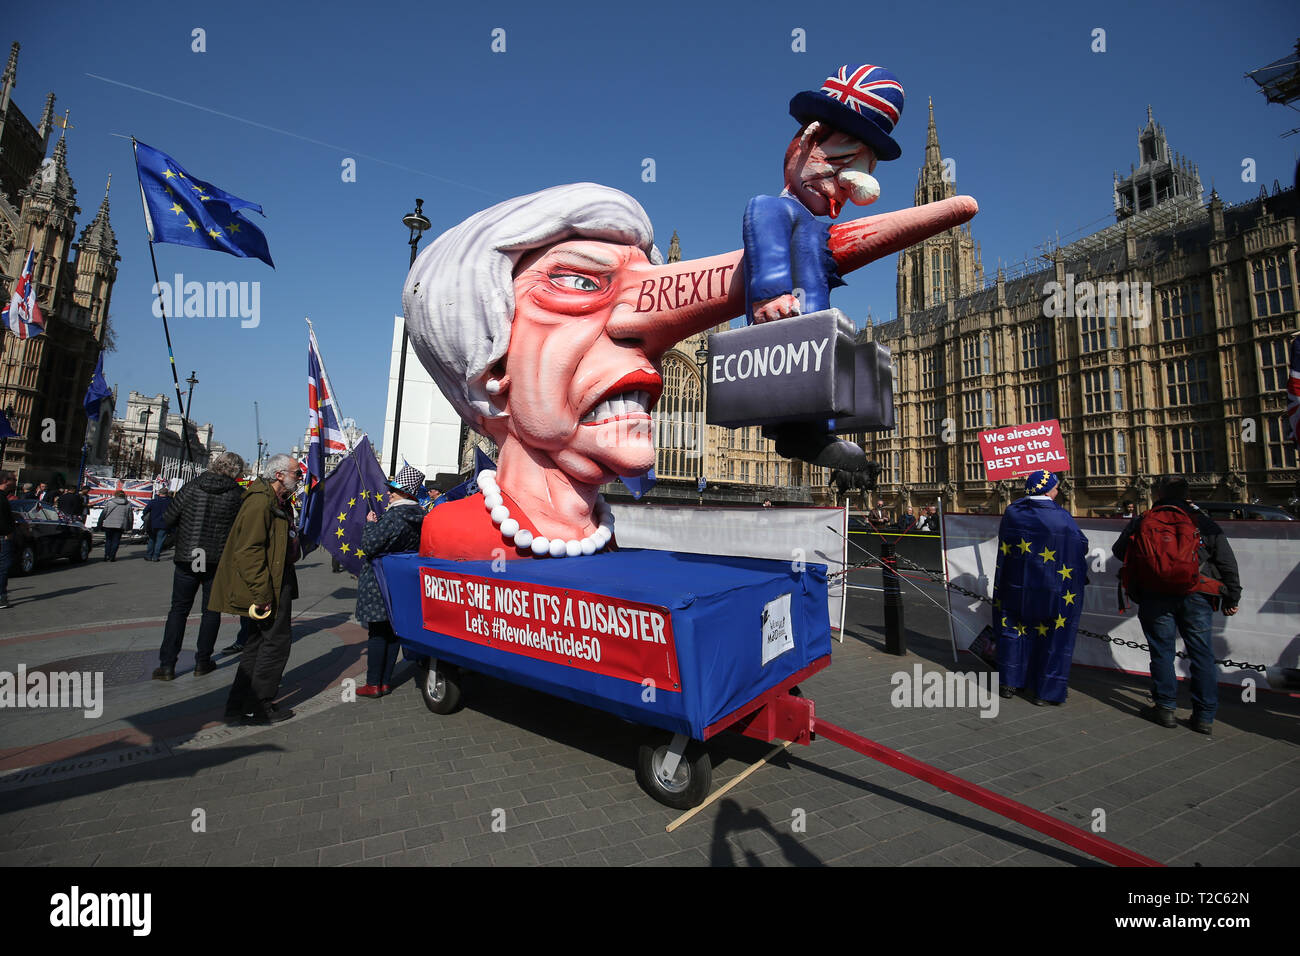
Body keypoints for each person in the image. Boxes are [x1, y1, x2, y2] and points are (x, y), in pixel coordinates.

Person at [742, 64, 905, 470]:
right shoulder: (775, 207)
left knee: (841, 370)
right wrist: (772, 295)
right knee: (797, 384)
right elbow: (766, 239)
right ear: (811, 139)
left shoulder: (816, 228)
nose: (842, 193)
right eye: (840, 175)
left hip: (815, 335)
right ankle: (795, 431)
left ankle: (822, 429)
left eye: (851, 184)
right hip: (788, 331)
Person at [1113, 474, 1241, 736]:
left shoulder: (1143, 519)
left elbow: (1119, 551)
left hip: (1155, 594)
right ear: (1187, 494)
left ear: (1159, 493)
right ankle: (1204, 716)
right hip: (1197, 595)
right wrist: (1232, 596)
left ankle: (1165, 708)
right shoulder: (1202, 521)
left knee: (1162, 652)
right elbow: (1227, 561)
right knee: (1201, 654)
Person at [210, 454, 302, 724]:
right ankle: (258, 704)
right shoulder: (260, 501)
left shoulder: (276, 502)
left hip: (275, 581)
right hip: (266, 587)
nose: (300, 478)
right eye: (296, 473)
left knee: (256, 644)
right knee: (274, 644)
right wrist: (262, 593)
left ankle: (239, 704)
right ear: (279, 475)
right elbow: (249, 551)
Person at [991, 471, 1089, 706]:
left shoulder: (1013, 512)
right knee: (1052, 638)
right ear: (1049, 490)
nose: (1058, 491)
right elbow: (1080, 545)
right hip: (1052, 590)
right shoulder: (1061, 517)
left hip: (1017, 587)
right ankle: (1044, 692)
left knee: (1014, 632)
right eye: (1056, 487)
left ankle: (1009, 683)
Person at [151, 453, 247, 681]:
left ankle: (167, 665)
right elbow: (241, 529)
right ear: (236, 471)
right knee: (211, 611)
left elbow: (168, 517)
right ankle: (203, 661)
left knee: (178, 610)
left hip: (189, 555)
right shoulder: (237, 494)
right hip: (217, 559)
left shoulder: (192, 487)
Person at [355, 465, 427, 697]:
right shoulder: (421, 516)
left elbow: (369, 545)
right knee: (393, 631)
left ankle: (373, 683)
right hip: (402, 581)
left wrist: (370, 525)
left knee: (377, 632)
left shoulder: (394, 516)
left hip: (380, 579)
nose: (388, 493)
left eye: (393, 491)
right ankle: (386, 681)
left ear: (405, 493)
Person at [98, 489, 134, 562]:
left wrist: (99, 523)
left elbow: (103, 514)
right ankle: (112, 556)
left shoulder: (110, 502)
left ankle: (107, 555)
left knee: (108, 540)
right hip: (120, 525)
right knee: (116, 541)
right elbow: (130, 516)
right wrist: (130, 526)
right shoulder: (128, 504)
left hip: (108, 524)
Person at [142, 486, 172, 561]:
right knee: (160, 541)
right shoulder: (170, 502)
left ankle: (149, 555)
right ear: (167, 494)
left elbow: (145, 511)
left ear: (159, 493)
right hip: (164, 523)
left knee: (152, 540)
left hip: (153, 523)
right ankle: (155, 556)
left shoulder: (154, 501)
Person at [0, 471, 14, 609]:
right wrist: (7, 532)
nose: (15, 481)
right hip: (3, 537)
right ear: (5, 480)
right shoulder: (2, 498)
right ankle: (1, 597)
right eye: (13, 479)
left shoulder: (4, 497)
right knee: (4, 566)